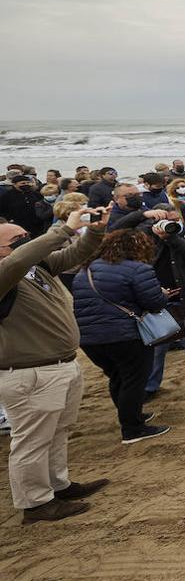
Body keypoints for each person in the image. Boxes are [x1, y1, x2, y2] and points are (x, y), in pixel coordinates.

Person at [0, 206, 112, 523]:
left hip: (60, 364)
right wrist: (62, 229)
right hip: (29, 373)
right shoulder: (8, 271)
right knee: (31, 441)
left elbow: (76, 254)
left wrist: (95, 230)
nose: (25, 242)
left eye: (26, 236)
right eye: (16, 239)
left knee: (59, 432)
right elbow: (17, 261)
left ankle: (57, 485)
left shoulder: (37, 266)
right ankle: (35, 503)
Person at [72, 230, 174, 444]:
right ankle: (133, 428)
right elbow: (153, 302)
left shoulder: (86, 270)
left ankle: (130, 415)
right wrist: (163, 295)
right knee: (134, 379)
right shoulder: (138, 269)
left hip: (90, 338)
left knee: (117, 377)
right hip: (124, 335)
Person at [140, 202, 185, 395]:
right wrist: (156, 235)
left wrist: (173, 239)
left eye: (176, 220)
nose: (172, 225)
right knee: (157, 347)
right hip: (157, 300)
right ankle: (150, 386)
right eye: (167, 221)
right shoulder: (148, 240)